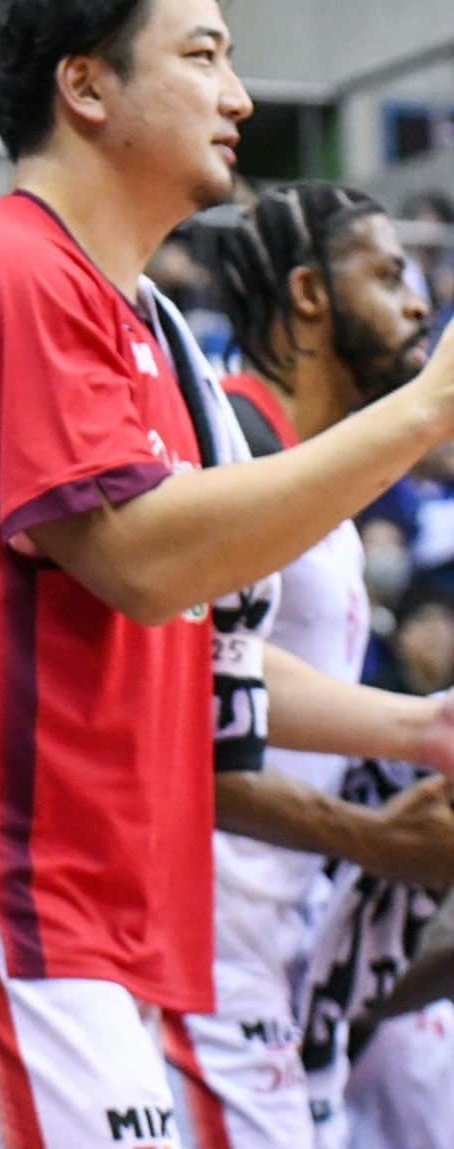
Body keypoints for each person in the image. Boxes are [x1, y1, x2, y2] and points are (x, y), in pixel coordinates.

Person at [0, 0, 454, 1149]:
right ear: (87, 86)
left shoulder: (144, 318)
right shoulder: (12, 266)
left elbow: (187, 633)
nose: (236, 94)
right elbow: (147, 560)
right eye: (204, 57)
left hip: (84, 932)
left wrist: (419, 727)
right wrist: (428, 410)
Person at [162, 184, 454, 1148]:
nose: (418, 301)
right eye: (385, 273)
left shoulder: (315, 472)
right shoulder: (233, 446)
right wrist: (373, 835)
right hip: (201, 957)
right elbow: (189, 727)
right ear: (309, 294)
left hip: (277, 953)